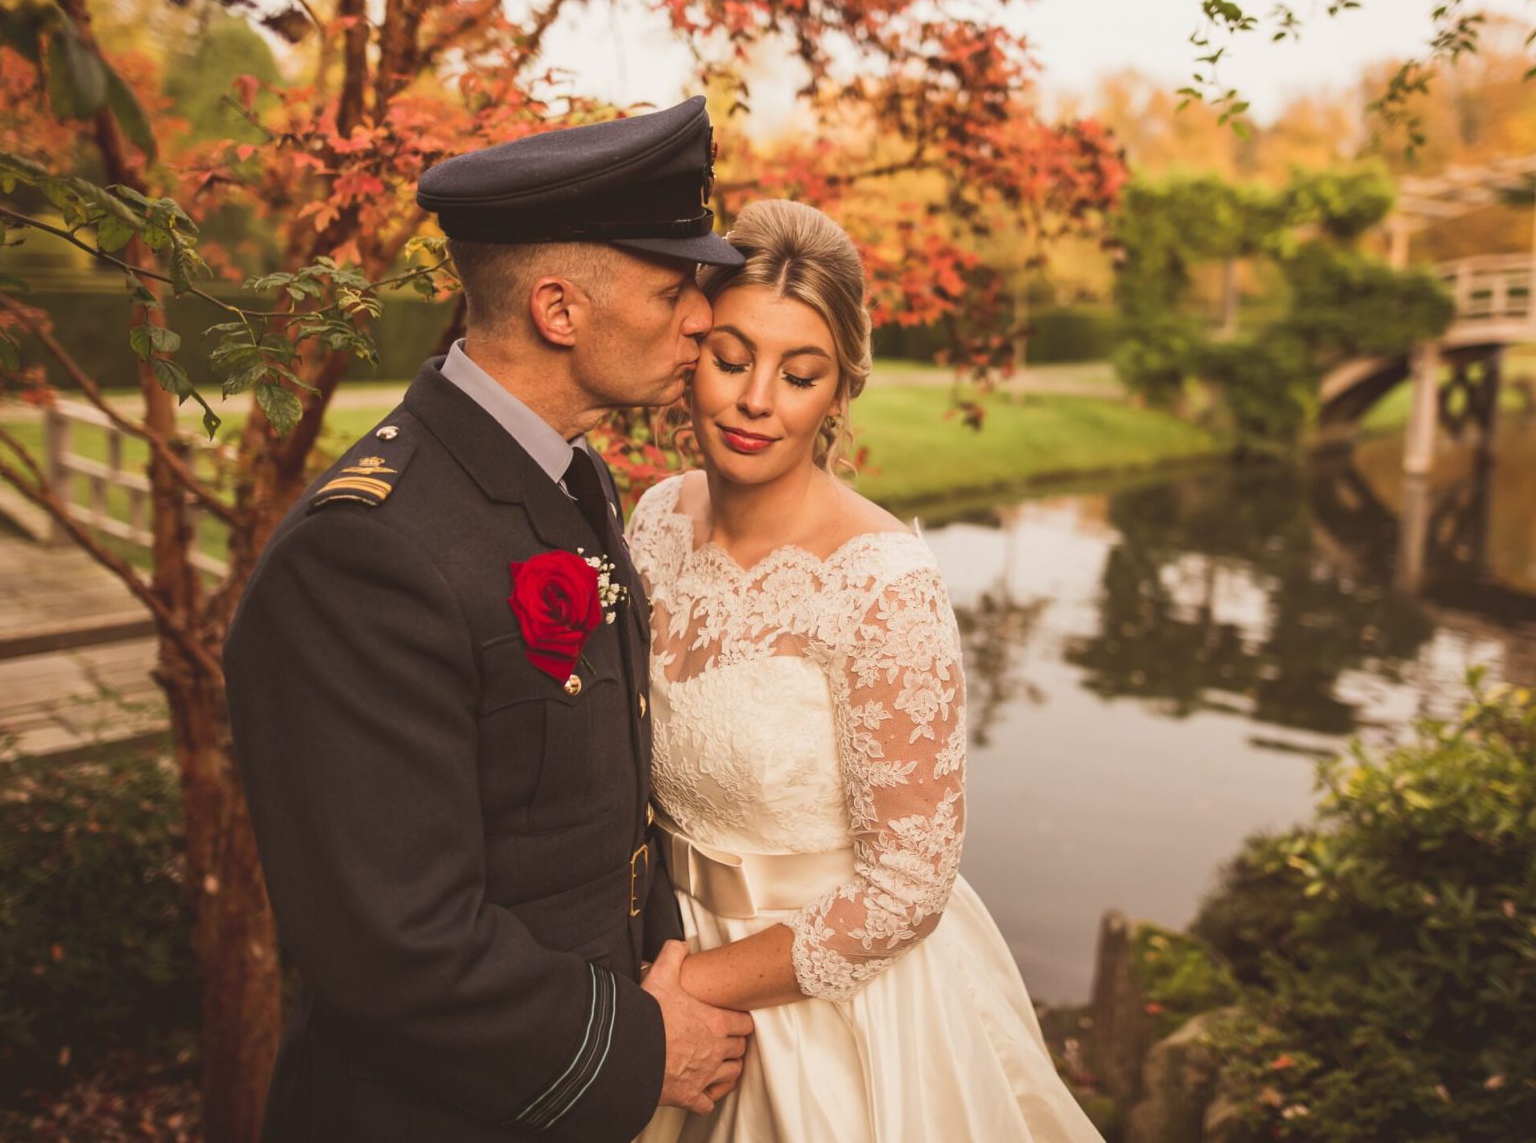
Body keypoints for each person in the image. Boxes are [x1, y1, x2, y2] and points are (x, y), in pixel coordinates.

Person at [225, 97, 756, 1142]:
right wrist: (641, 1045)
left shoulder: (570, 477)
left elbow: (598, 808)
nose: (702, 317)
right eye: (670, 288)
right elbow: (396, 939)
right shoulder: (366, 552)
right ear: (559, 311)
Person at [628, 200, 1105, 1142]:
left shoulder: (881, 582)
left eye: (799, 374)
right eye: (732, 358)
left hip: (822, 1011)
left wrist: (686, 992)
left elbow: (907, 889)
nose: (757, 399)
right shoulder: (653, 520)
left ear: (840, 391)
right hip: (652, 950)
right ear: (691, 356)